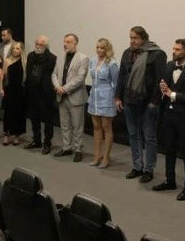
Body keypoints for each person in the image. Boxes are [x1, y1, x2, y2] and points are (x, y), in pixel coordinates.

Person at [114, 26, 167, 183]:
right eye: (130, 37)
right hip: (129, 100)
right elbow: (121, 75)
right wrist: (117, 97)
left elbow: (160, 79)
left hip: (147, 102)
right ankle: (137, 166)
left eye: (135, 38)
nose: (132, 41)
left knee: (149, 137)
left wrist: (154, 102)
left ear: (144, 38)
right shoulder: (127, 53)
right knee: (133, 134)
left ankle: (149, 170)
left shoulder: (157, 54)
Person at [153, 39, 185, 201]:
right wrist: (162, 89)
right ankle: (170, 180)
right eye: (173, 48)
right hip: (168, 115)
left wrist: (172, 94)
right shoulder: (169, 65)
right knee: (169, 150)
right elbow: (164, 85)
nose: (173, 51)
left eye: (177, 49)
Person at [52, 34, 89, 163]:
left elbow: (80, 78)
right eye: (64, 41)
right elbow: (54, 74)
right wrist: (57, 87)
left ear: (75, 44)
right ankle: (67, 147)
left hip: (75, 97)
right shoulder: (60, 57)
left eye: (68, 42)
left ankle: (78, 150)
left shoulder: (83, 58)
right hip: (61, 96)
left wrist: (65, 88)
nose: (65, 44)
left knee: (77, 126)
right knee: (65, 125)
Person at [87, 38, 119, 169]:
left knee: (106, 127)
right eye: (98, 47)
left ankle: (106, 157)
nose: (99, 50)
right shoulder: (92, 60)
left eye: (102, 48)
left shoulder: (112, 63)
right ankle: (97, 155)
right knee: (96, 126)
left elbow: (116, 83)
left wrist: (116, 98)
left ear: (107, 49)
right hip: (94, 96)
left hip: (106, 97)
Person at [24, 35, 57, 154]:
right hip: (33, 92)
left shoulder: (52, 58)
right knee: (34, 118)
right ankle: (36, 140)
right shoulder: (31, 56)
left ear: (46, 46)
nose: (38, 46)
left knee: (48, 119)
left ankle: (47, 143)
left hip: (46, 93)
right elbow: (28, 72)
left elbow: (53, 75)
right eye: (36, 44)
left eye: (40, 45)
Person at [1, 42, 26, 146]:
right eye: (14, 48)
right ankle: (6, 134)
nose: (15, 50)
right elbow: (2, 76)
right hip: (9, 90)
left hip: (20, 91)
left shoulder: (24, 62)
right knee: (8, 112)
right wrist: (1, 89)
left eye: (18, 48)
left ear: (21, 50)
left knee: (19, 113)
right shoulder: (7, 61)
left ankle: (16, 135)